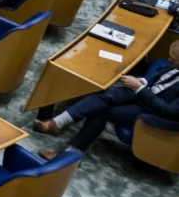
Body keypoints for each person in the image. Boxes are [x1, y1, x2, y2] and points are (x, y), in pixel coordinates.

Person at [36, 39, 179, 159]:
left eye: (174, 59)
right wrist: (142, 82)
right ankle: (57, 124)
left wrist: (140, 89)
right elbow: (157, 77)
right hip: (145, 93)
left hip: (151, 111)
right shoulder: (174, 65)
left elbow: (169, 111)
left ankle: (71, 155)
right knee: (106, 93)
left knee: (102, 111)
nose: (169, 60)